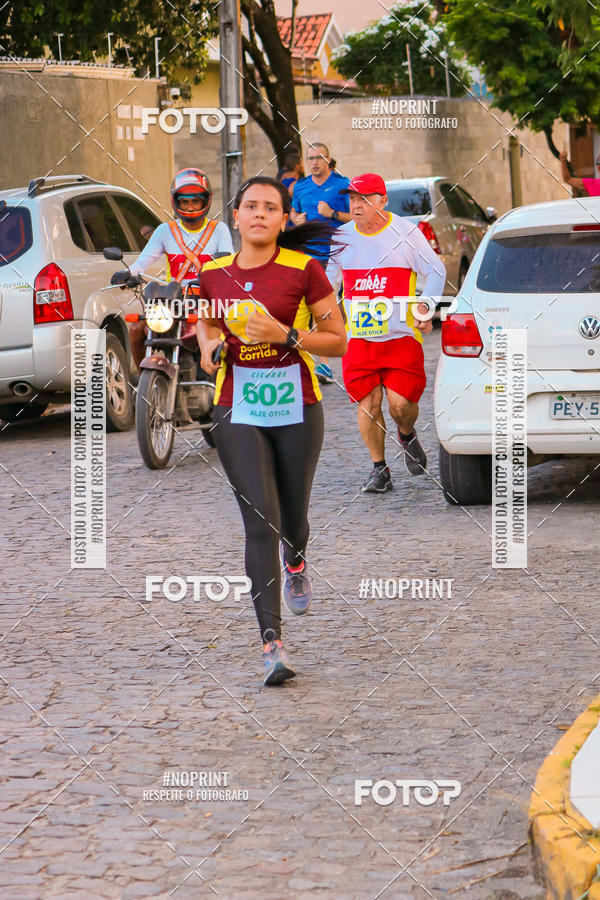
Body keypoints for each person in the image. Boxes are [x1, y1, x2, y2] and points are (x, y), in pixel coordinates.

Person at [195, 176, 347, 686]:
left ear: (285, 219)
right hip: (236, 408)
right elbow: (208, 325)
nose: (259, 214)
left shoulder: (305, 270)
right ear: (234, 216)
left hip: (297, 406)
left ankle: (297, 559)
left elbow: (338, 341)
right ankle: (272, 646)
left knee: (293, 520)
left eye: (271, 208)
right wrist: (209, 347)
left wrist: (286, 334)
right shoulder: (213, 273)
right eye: (251, 206)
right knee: (261, 519)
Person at [326, 173, 446, 493]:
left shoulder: (405, 232)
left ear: (382, 201)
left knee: (400, 405)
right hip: (361, 339)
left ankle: (406, 433)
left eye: (364, 198)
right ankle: (379, 469)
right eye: (352, 198)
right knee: (367, 402)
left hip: (400, 335)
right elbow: (330, 283)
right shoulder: (341, 237)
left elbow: (435, 271)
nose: (356, 204)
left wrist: (425, 308)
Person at [126, 168, 233, 369]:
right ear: (177, 202)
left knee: (231, 333)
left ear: (205, 201)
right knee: (137, 328)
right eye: (185, 201)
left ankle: (225, 378)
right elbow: (142, 263)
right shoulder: (165, 230)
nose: (191, 207)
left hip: (208, 302)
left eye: (195, 201)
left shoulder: (219, 230)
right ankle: (142, 380)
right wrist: (128, 274)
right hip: (172, 303)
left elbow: (228, 264)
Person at [290, 142, 352, 384]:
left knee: (346, 307)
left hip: (341, 253)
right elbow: (294, 213)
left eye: (318, 158)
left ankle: (352, 352)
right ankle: (324, 364)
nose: (314, 162)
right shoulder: (301, 187)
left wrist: (333, 214)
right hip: (311, 256)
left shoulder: (343, 185)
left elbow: (355, 219)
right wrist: (297, 219)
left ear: (328, 160)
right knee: (319, 307)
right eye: (310, 158)